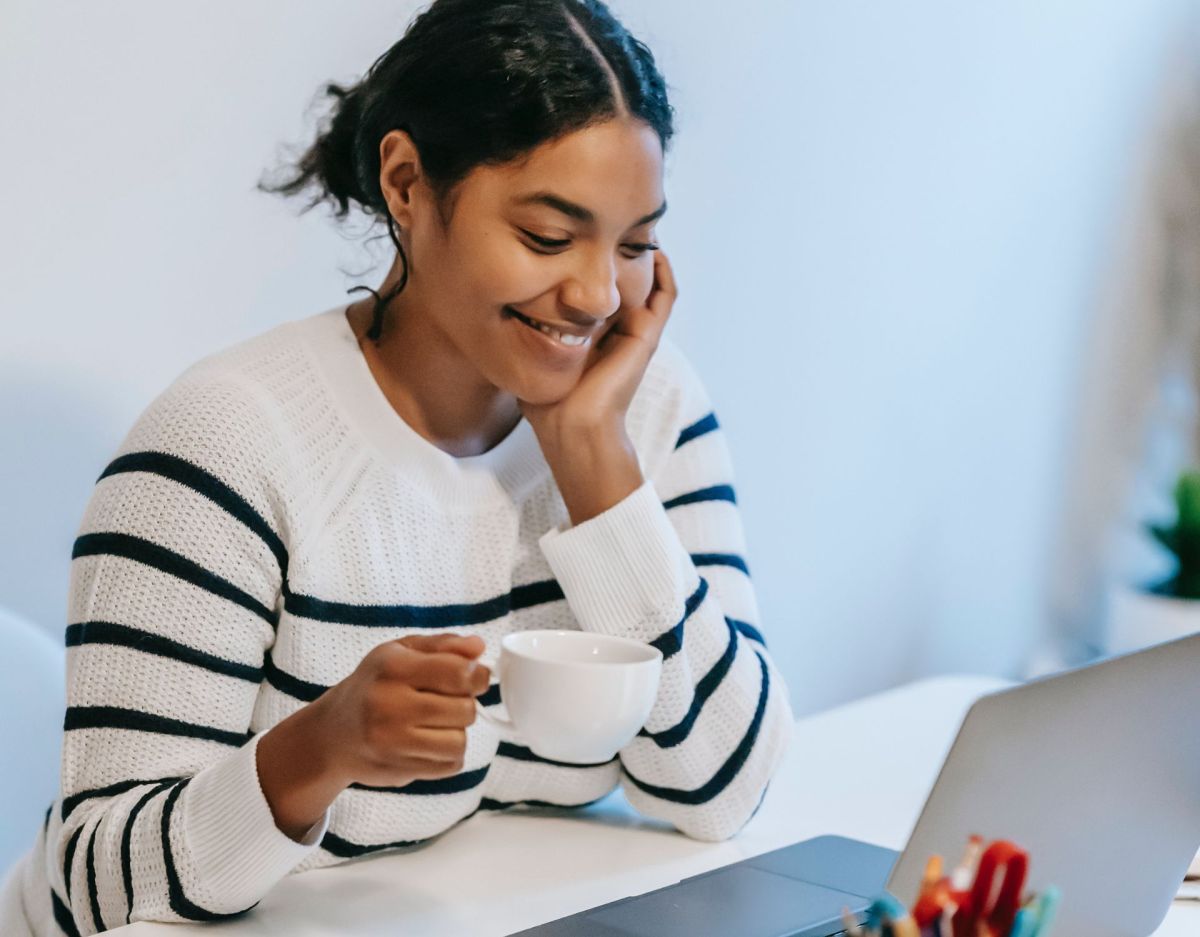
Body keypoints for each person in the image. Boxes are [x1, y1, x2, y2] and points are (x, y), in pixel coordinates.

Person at [0, 1, 794, 933]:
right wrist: (315, 751)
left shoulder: (643, 411)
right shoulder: (224, 446)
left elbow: (726, 788)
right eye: (547, 236)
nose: (594, 295)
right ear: (408, 185)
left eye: (633, 245)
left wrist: (593, 461)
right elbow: (94, 888)